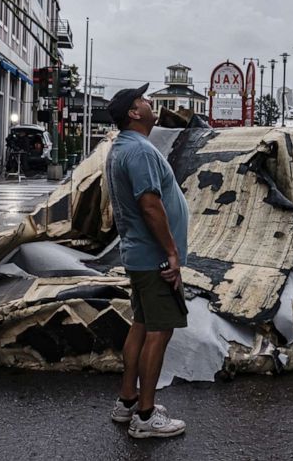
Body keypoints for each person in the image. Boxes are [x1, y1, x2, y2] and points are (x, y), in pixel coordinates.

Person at [105, 84, 189, 439]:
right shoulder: (138, 151)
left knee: (140, 324)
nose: (149, 101)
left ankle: (127, 401)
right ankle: (145, 416)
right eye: (142, 99)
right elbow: (150, 204)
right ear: (133, 114)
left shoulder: (122, 148)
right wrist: (171, 252)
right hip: (153, 257)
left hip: (138, 253)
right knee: (160, 331)